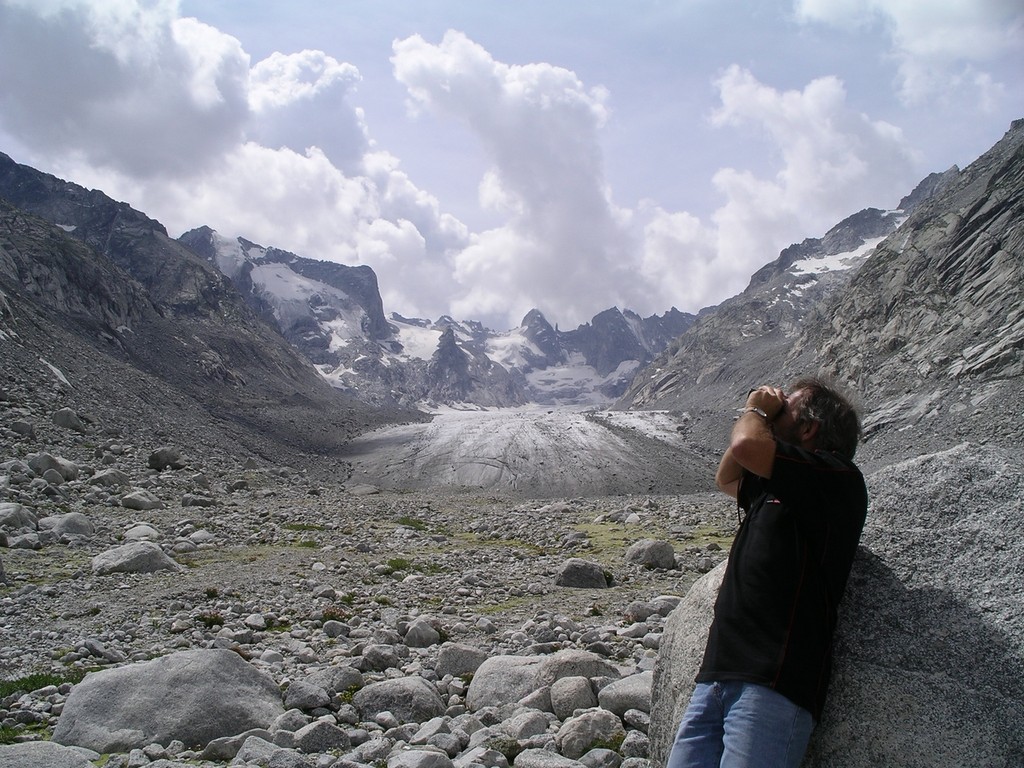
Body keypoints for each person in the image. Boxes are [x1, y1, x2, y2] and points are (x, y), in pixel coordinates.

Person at [666, 378, 868, 768]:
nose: (776, 412)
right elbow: (728, 476)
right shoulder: (776, 482)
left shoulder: (836, 479)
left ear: (809, 428)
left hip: (775, 681)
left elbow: (746, 445)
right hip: (718, 675)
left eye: (787, 409)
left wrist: (757, 411)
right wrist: (765, 418)